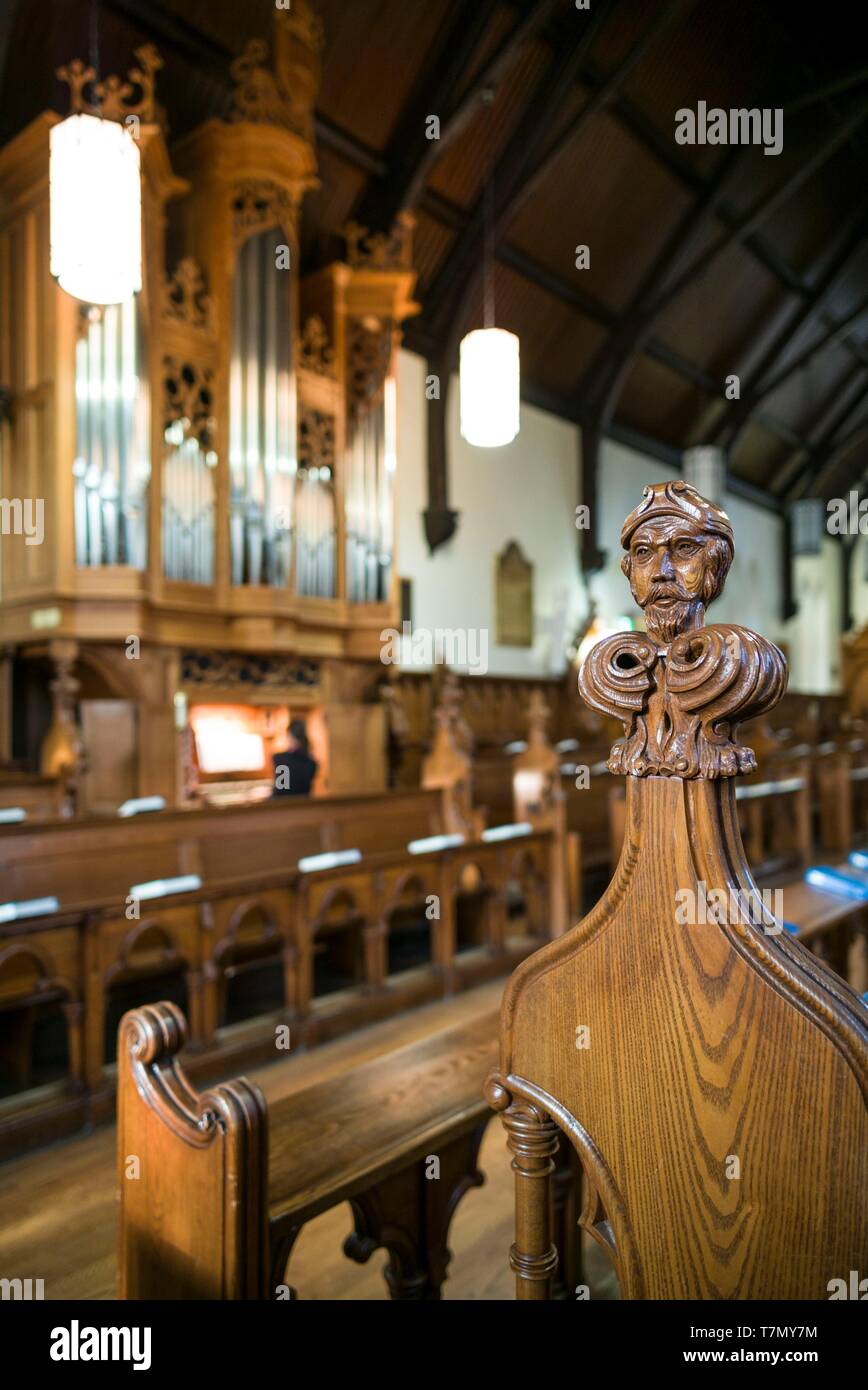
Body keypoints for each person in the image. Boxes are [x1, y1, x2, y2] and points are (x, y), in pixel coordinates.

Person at [272, 719, 318, 796]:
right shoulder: (311, 763)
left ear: (290, 736)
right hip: (303, 805)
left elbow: (281, 790)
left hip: (284, 805)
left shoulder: (280, 759)